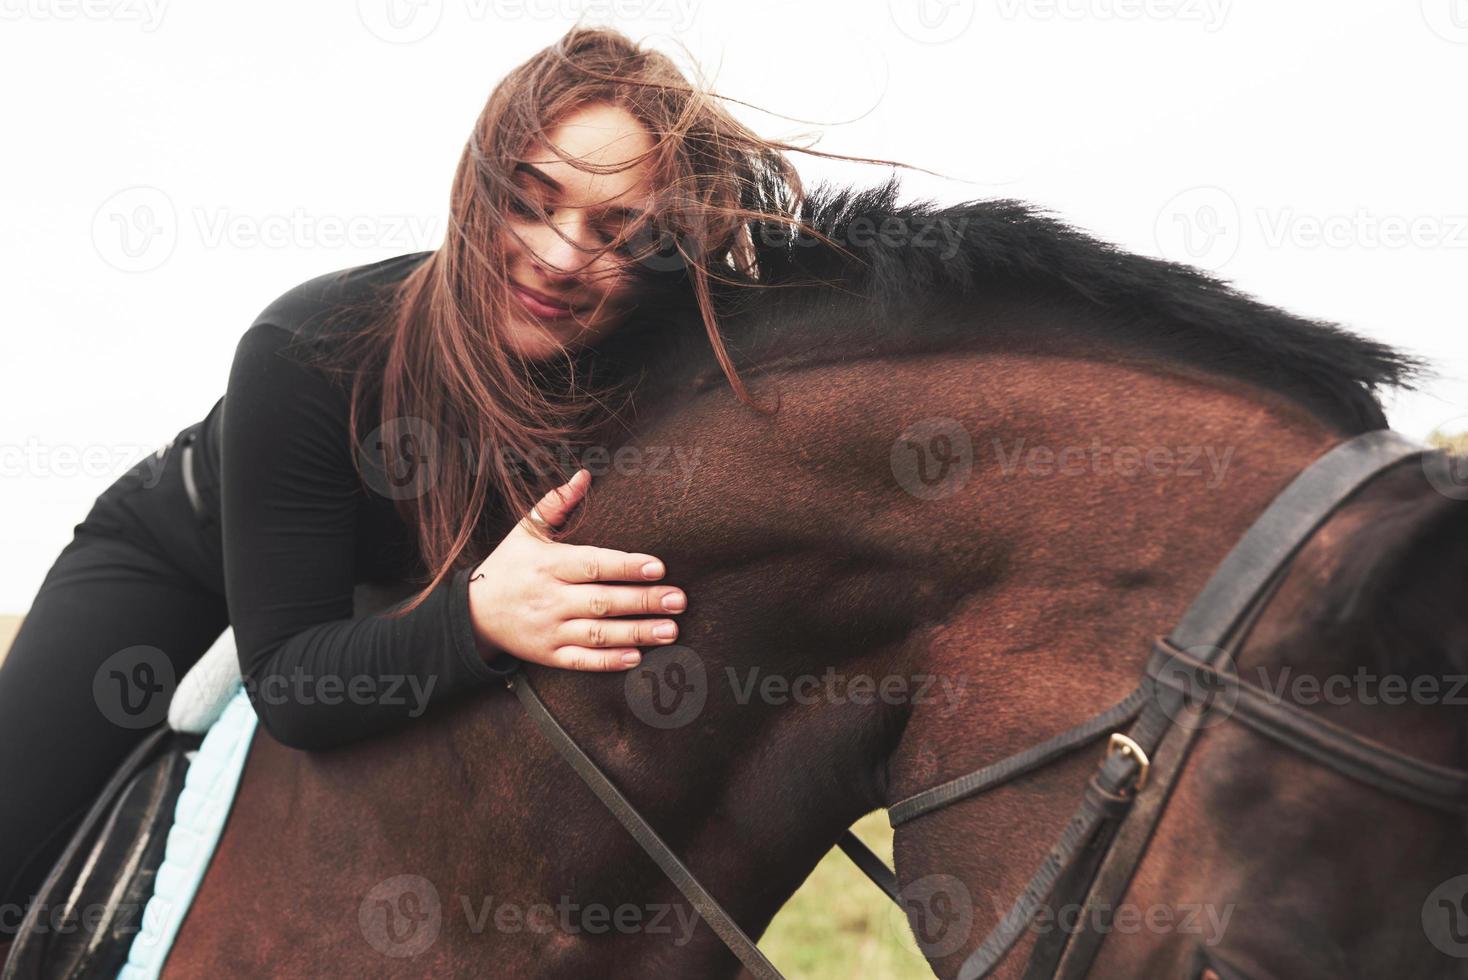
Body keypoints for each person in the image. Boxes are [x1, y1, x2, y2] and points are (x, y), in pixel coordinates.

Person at [0, 26, 919, 947]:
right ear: (478, 191)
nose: (562, 258)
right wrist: (477, 622)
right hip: (185, 561)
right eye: (533, 202)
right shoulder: (307, 348)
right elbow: (287, 685)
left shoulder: (660, 381)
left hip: (436, 584)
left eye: (617, 231)